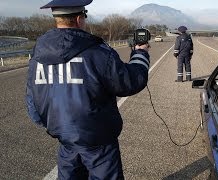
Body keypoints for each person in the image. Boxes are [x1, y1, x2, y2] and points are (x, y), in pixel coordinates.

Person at [25, 0, 150, 179]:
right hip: (99, 143)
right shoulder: (98, 52)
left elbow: (32, 96)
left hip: (65, 140)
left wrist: (52, 125)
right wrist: (141, 53)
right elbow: (131, 81)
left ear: (57, 19)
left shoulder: (38, 53)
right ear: (78, 19)